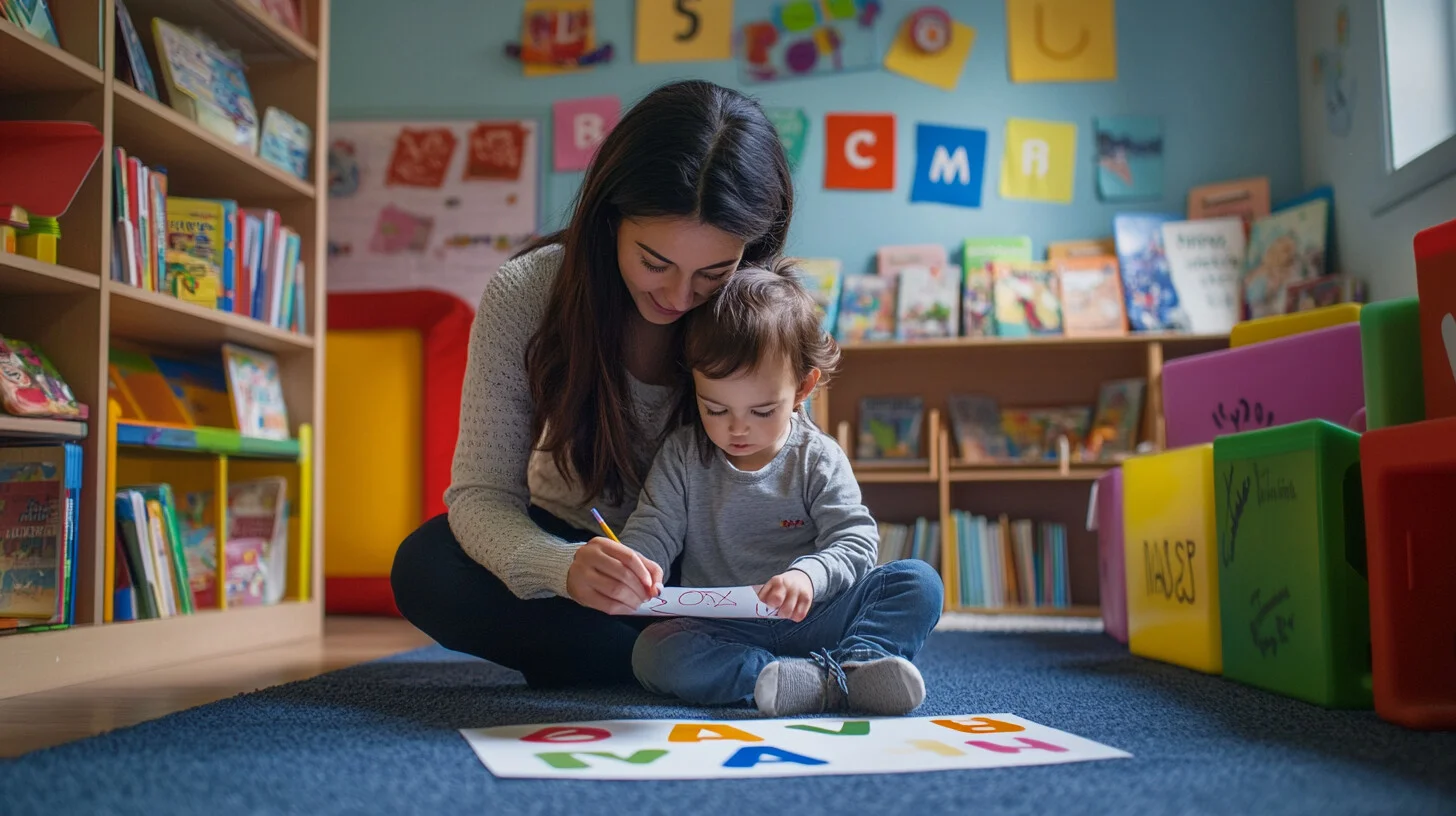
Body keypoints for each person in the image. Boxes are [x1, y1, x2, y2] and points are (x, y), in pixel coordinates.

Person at [388, 79, 794, 689]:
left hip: (712, 565)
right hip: (580, 553)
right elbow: (480, 496)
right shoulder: (529, 292)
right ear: (608, 219)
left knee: (863, 584)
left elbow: (792, 474)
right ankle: (687, 665)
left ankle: (665, 660)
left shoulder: (759, 309)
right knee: (426, 567)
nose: (679, 296)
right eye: (654, 262)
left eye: (713, 272)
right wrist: (562, 567)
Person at [619, 262, 944, 716]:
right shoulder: (683, 455)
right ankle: (793, 681)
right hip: (724, 629)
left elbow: (854, 541)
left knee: (917, 581)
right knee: (652, 652)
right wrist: (634, 565)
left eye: (762, 410)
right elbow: (654, 530)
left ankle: (862, 663)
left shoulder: (816, 456)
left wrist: (808, 575)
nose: (737, 428)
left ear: (802, 388)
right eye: (714, 408)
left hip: (816, 615)